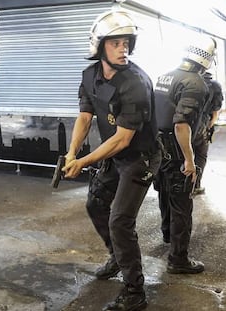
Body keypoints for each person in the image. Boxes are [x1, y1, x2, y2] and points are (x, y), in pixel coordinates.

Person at [62, 9, 161, 311]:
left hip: (139, 158)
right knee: (95, 204)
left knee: (120, 220)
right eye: (115, 43)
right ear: (99, 46)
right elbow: (84, 116)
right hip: (114, 155)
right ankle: (117, 257)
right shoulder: (90, 76)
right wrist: (71, 153)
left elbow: (123, 139)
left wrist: (83, 161)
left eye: (126, 42)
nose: (123, 49)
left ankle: (135, 291)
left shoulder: (136, 83)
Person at [153, 35, 217, 273]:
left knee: (165, 195)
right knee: (182, 204)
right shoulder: (196, 83)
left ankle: (168, 235)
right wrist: (189, 161)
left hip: (159, 149)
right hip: (176, 151)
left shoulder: (165, 76)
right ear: (207, 59)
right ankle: (178, 260)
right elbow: (181, 124)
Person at [192, 71, 223, 195]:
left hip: (182, 125)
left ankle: (182, 185)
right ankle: (195, 185)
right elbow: (215, 112)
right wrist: (209, 127)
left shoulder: (186, 79)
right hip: (202, 126)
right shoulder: (214, 85)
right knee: (200, 155)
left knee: (184, 155)